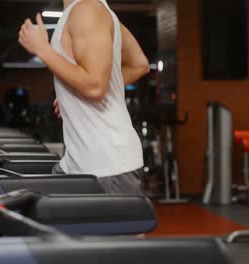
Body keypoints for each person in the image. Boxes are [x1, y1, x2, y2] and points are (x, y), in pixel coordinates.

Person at [18, 0, 150, 194]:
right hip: (83, 163)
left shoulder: (87, 11)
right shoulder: (90, 10)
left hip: (106, 166)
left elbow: (95, 86)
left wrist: (42, 49)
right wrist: (73, 92)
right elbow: (139, 64)